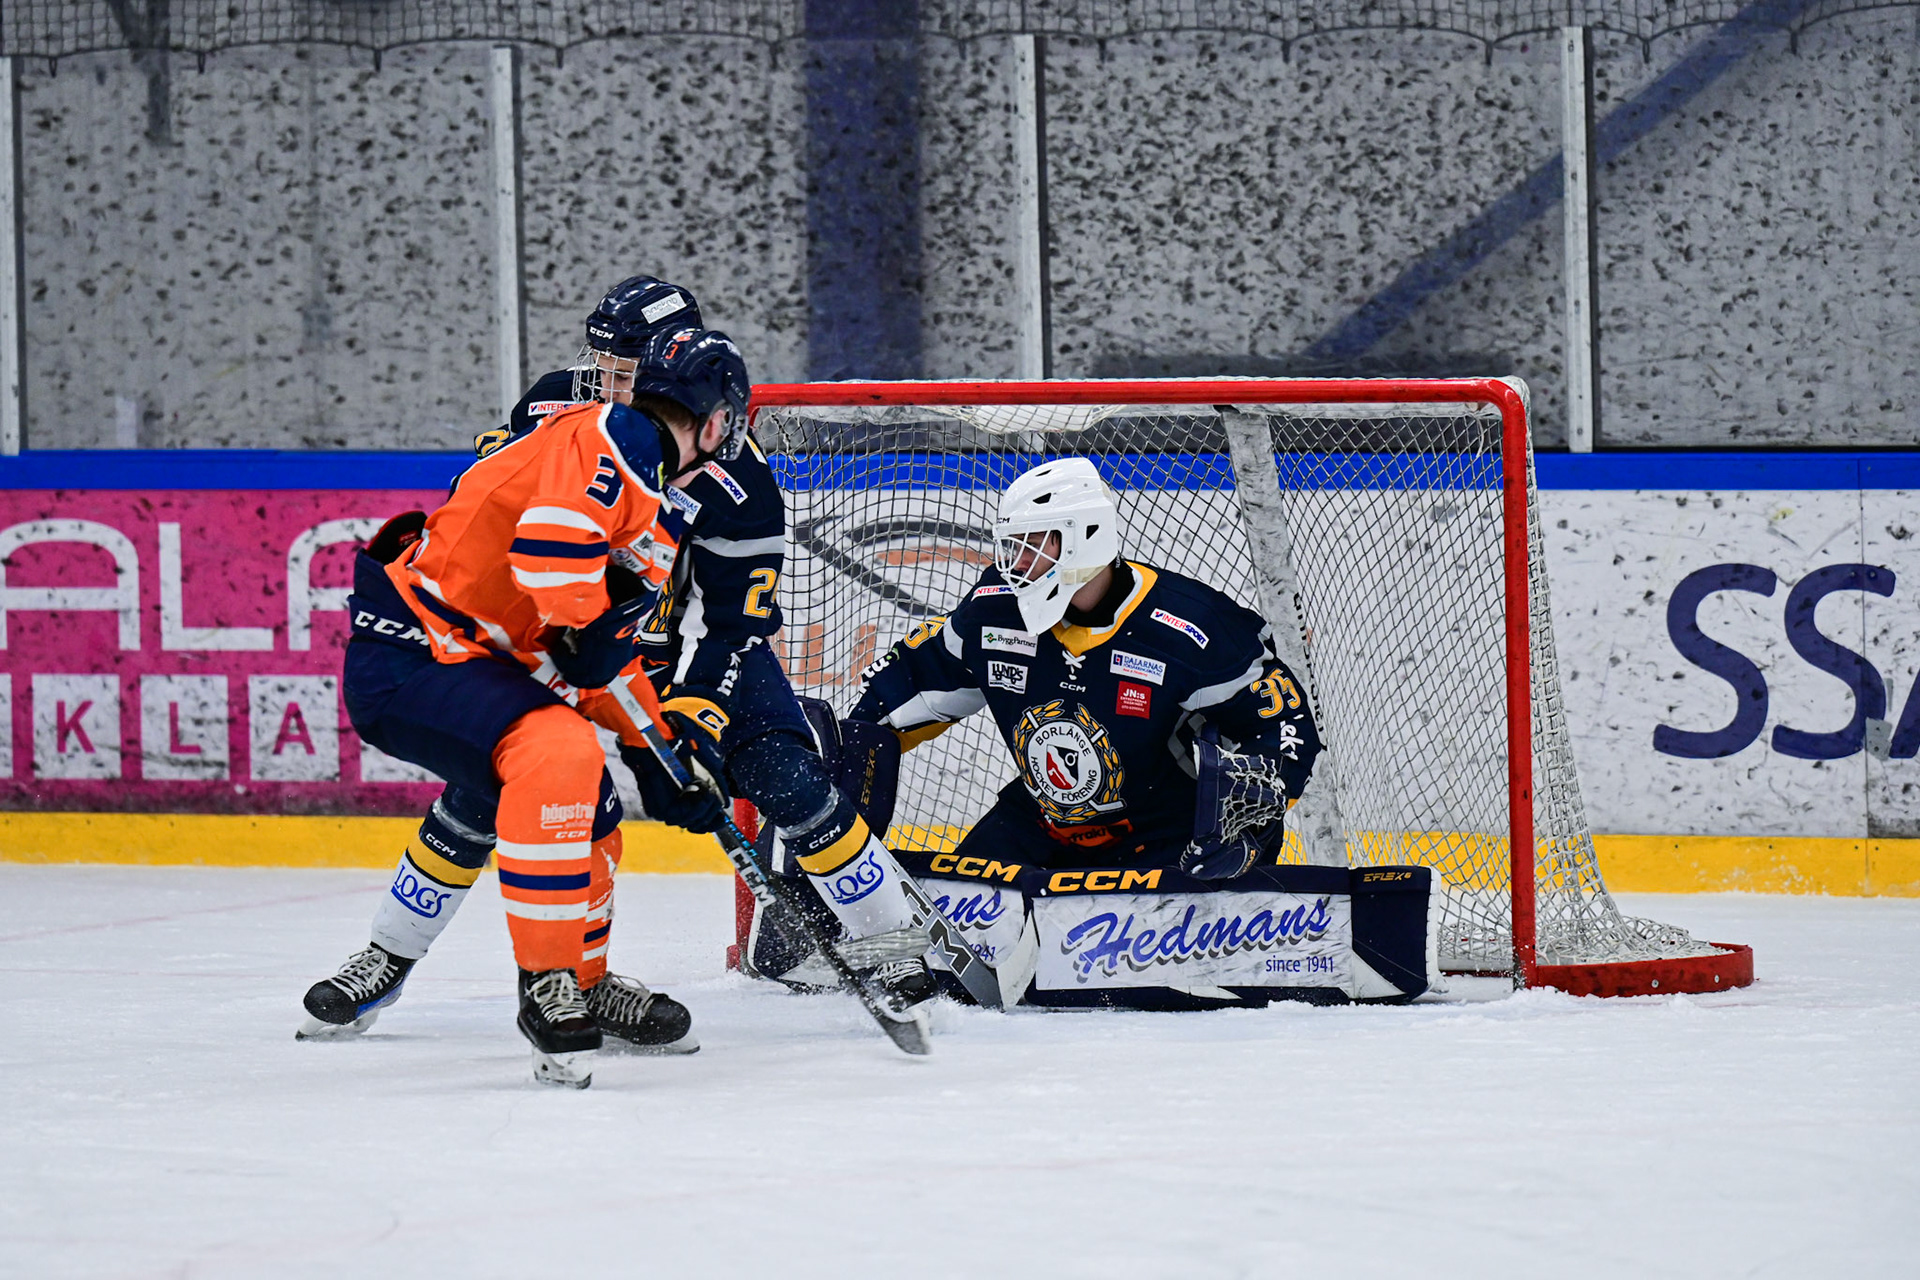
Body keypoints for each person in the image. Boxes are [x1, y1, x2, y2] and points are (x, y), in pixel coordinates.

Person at [299, 314, 748, 1088]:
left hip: (484, 660)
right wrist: (583, 624)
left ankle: (583, 981)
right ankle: (537, 984)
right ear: (713, 420)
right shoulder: (618, 435)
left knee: (586, 796)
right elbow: (548, 554)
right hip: (419, 647)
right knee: (554, 754)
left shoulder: (652, 489)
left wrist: (658, 753)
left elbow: (596, 655)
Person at [847, 457, 1322, 881]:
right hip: (1042, 824)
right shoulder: (995, 609)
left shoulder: (1192, 627)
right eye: (1013, 546)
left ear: (1085, 538)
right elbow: (914, 680)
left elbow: (1284, 725)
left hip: (1166, 836)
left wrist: (1249, 824)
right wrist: (846, 747)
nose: (1017, 564)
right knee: (953, 925)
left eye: (1034, 545)